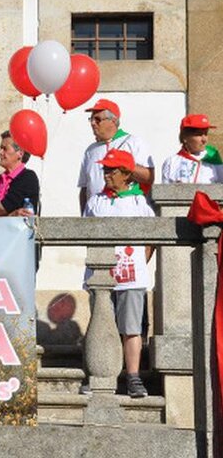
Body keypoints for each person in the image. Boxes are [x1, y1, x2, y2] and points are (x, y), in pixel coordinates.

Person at [83, 148, 155, 398]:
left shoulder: (139, 203)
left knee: (131, 327)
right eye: (104, 169)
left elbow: (152, 238)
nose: (106, 174)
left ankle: (133, 377)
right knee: (102, 324)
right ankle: (100, 376)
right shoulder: (96, 201)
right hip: (100, 275)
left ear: (126, 173)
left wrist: (138, 262)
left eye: (111, 170)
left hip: (131, 276)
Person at [78, 99, 154, 214]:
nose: (93, 123)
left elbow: (149, 177)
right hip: (97, 210)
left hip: (126, 207)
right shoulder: (90, 150)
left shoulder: (132, 142)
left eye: (97, 119)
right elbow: (85, 188)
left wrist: (125, 165)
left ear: (113, 121)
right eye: (91, 119)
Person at [0, 130, 39, 216]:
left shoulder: (27, 177)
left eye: (4, 149)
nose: (0, 152)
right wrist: (10, 214)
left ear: (20, 153)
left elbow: (5, 207)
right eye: (0, 148)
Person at [162, 114, 223, 183]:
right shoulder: (171, 162)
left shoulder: (212, 158)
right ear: (185, 137)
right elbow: (165, 188)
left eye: (206, 134)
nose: (204, 140)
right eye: (199, 134)